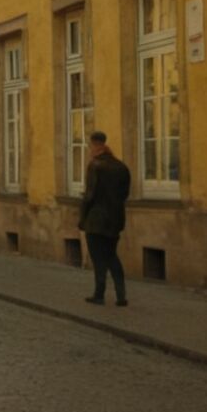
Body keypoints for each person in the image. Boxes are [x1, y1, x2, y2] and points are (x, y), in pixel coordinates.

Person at [79, 131, 131, 307]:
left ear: (95, 145)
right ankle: (121, 295)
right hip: (115, 219)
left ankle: (99, 294)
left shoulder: (95, 166)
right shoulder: (121, 167)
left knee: (98, 258)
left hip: (96, 219)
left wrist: (82, 218)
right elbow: (125, 194)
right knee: (112, 256)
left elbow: (89, 195)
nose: (89, 150)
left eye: (89, 146)